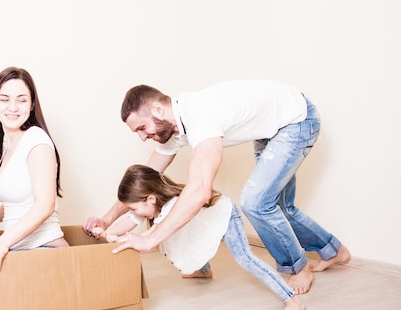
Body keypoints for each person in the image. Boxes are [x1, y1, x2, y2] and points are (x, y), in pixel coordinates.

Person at [84, 80, 351, 295]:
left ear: (158, 111)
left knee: (257, 203)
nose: (143, 137)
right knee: (278, 205)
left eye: (142, 128)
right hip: (270, 127)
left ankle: (297, 267)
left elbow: (200, 191)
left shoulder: (202, 116)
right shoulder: (174, 128)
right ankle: (333, 250)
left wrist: (151, 238)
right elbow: (145, 179)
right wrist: (106, 220)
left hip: (296, 120)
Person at [100, 164, 305, 310]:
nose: (134, 213)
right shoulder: (150, 207)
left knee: (245, 259)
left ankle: (291, 299)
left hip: (223, 217)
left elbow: (150, 239)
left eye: (134, 208)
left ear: (150, 200)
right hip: (200, 226)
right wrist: (105, 232)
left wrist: (122, 240)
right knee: (187, 245)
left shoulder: (171, 208)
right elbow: (130, 221)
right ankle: (203, 271)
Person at [0, 67, 69, 279]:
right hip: (18, 248)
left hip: (44, 249)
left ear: (32, 105)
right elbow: (17, 202)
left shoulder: (36, 141)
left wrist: (1, 243)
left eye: (21, 99)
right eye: (4, 99)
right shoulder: (6, 143)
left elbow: (44, 205)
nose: (12, 107)